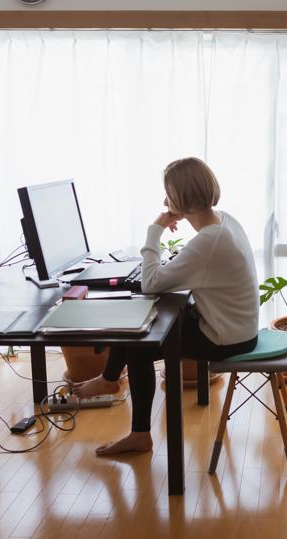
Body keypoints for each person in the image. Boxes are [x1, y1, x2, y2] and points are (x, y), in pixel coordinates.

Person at [72, 157, 259, 455]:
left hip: (226, 338)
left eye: (168, 193)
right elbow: (190, 270)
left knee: (138, 342)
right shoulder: (223, 219)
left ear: (180, 199)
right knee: (139, 322)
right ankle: (110, 381)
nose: (164, 199)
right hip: (236, 326)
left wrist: (155, 230)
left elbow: (150, 283)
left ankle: (135, 428)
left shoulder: (208, 241)